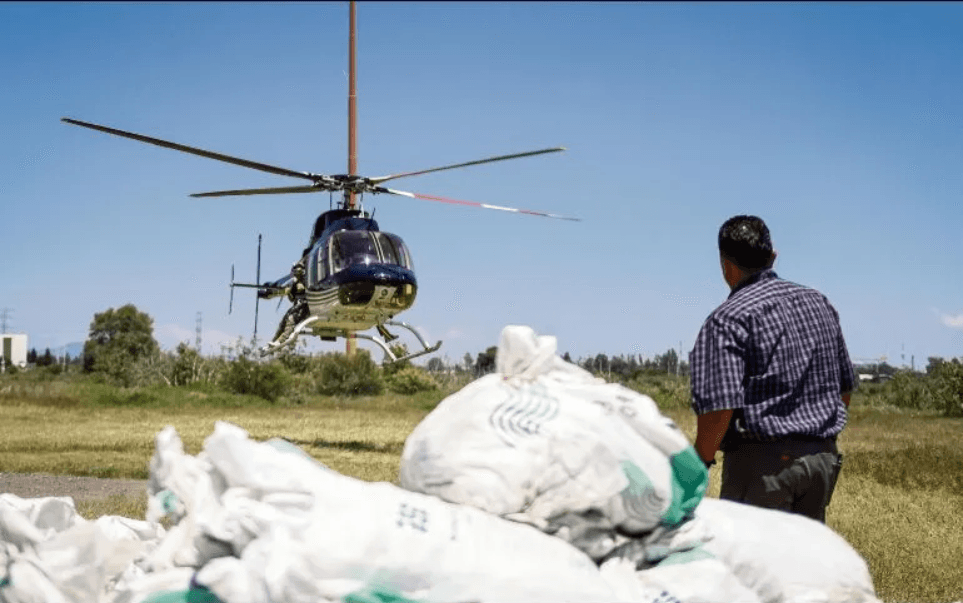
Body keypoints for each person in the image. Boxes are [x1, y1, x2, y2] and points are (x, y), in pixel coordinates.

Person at [689, 215, 855, 523]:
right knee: (804, 565)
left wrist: (699, 463)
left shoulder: (728, 319)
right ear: (772, 256)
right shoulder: (818, 303)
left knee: (753, 567)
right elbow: (844, 390)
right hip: (822, 461)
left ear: (726, 265)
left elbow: (719, 408)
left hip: (763, 467)